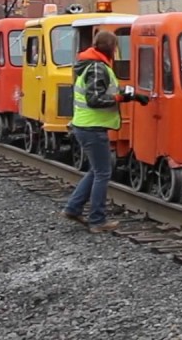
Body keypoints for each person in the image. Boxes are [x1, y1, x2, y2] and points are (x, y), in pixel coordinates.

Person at [62, 31, 149, 232]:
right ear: (111, 48)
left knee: (96, 170)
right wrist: (122, 99)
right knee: (103, 172)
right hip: (91, 127)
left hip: (86, 126)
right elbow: (95, 100)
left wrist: (132, 95)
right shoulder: (97, 68)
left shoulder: (92, 65)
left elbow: (104, 92)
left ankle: (73, 208)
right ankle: (97, 220)